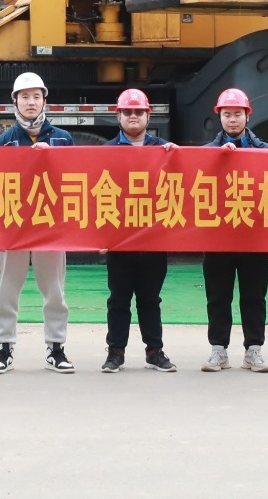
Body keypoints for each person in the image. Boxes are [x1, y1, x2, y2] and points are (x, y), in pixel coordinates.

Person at [0, 71, 75, 374]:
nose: (30, 102)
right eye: (24, 96)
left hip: (49, 227)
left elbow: (74, 181)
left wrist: (52, 159)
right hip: (13, 227)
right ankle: (4, 349)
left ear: (44, 101)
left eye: (36, 96)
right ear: (15, 102)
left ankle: (56, 348)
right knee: (6, 292)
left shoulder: (63, 139)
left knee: (54, 292)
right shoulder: (4, 140)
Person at [102, 88, 177, 373]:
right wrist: (100, 236)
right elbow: (95, 197)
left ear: (148, 115)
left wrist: (179, 158)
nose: (133, 117)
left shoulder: (166, 149)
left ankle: (154, 351)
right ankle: (115, 353)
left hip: (154, 239)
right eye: (128, 112)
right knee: (118, 299)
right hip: (120, 241)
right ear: (118, 116)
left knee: (150, 299)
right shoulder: (106, 152)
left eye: (139, 112)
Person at [200, 87, 268, 373]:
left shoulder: (266, 152)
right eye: (227, 114)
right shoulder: (206, 153)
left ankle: (253, 350)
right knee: (218, 295)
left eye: (237, 114)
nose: (232, 120)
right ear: (220, 117)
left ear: (247, 116)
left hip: (254, 237)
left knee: (254, 296)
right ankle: (218, 350)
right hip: (218, 237)